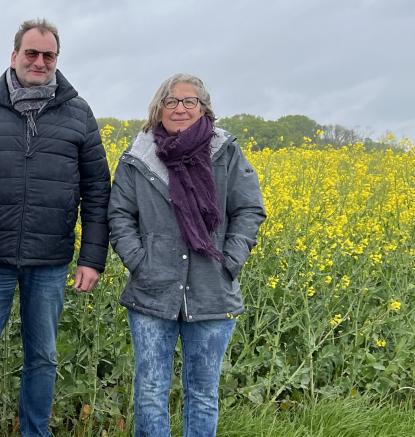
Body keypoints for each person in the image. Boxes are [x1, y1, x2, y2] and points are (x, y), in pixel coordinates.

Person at [0, 19, 111, 437]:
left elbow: (98, 190)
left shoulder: (77, 112)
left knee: (43, 357)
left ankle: (35, 432)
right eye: (31, 53)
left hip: (50, 262)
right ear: (14, 56)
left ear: (56, 59)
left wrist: (92, 257)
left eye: (48, 56)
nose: (39, 62)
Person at [108, 73, 266, 437]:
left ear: (203, 109)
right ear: (158, 108)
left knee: (203, 393)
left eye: (188, 101)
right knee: (149, 390)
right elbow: (119, 214)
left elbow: (249, 209)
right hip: (152, 289)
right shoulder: (139, 156)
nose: (179, 108)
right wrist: (138, 260)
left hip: (212, 289)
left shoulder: (225, 153)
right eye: (171, 101)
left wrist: (231, 259)